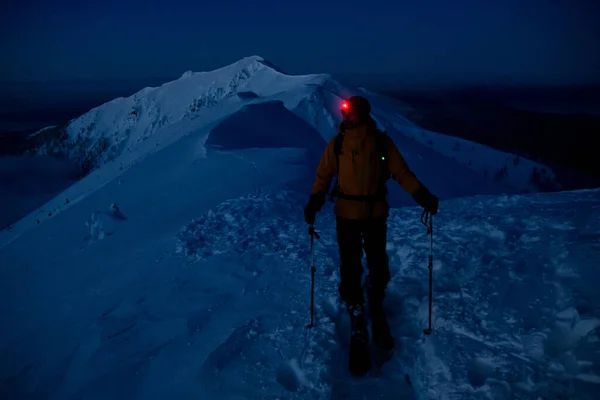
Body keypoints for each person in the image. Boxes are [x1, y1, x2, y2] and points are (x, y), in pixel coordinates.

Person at [303, 96, 438, 373]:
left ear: (363, 114)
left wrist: (420, 194)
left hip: (374, 213)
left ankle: (373, 302)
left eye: (352, 113)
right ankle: (358, 307)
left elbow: (401, 172)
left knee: (377, 262)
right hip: (347, 214)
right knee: (351, 264)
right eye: (346, 113)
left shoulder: (381, 143)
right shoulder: (338, 144)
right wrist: (315, 200)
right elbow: (323, 175)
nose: (348, 117)